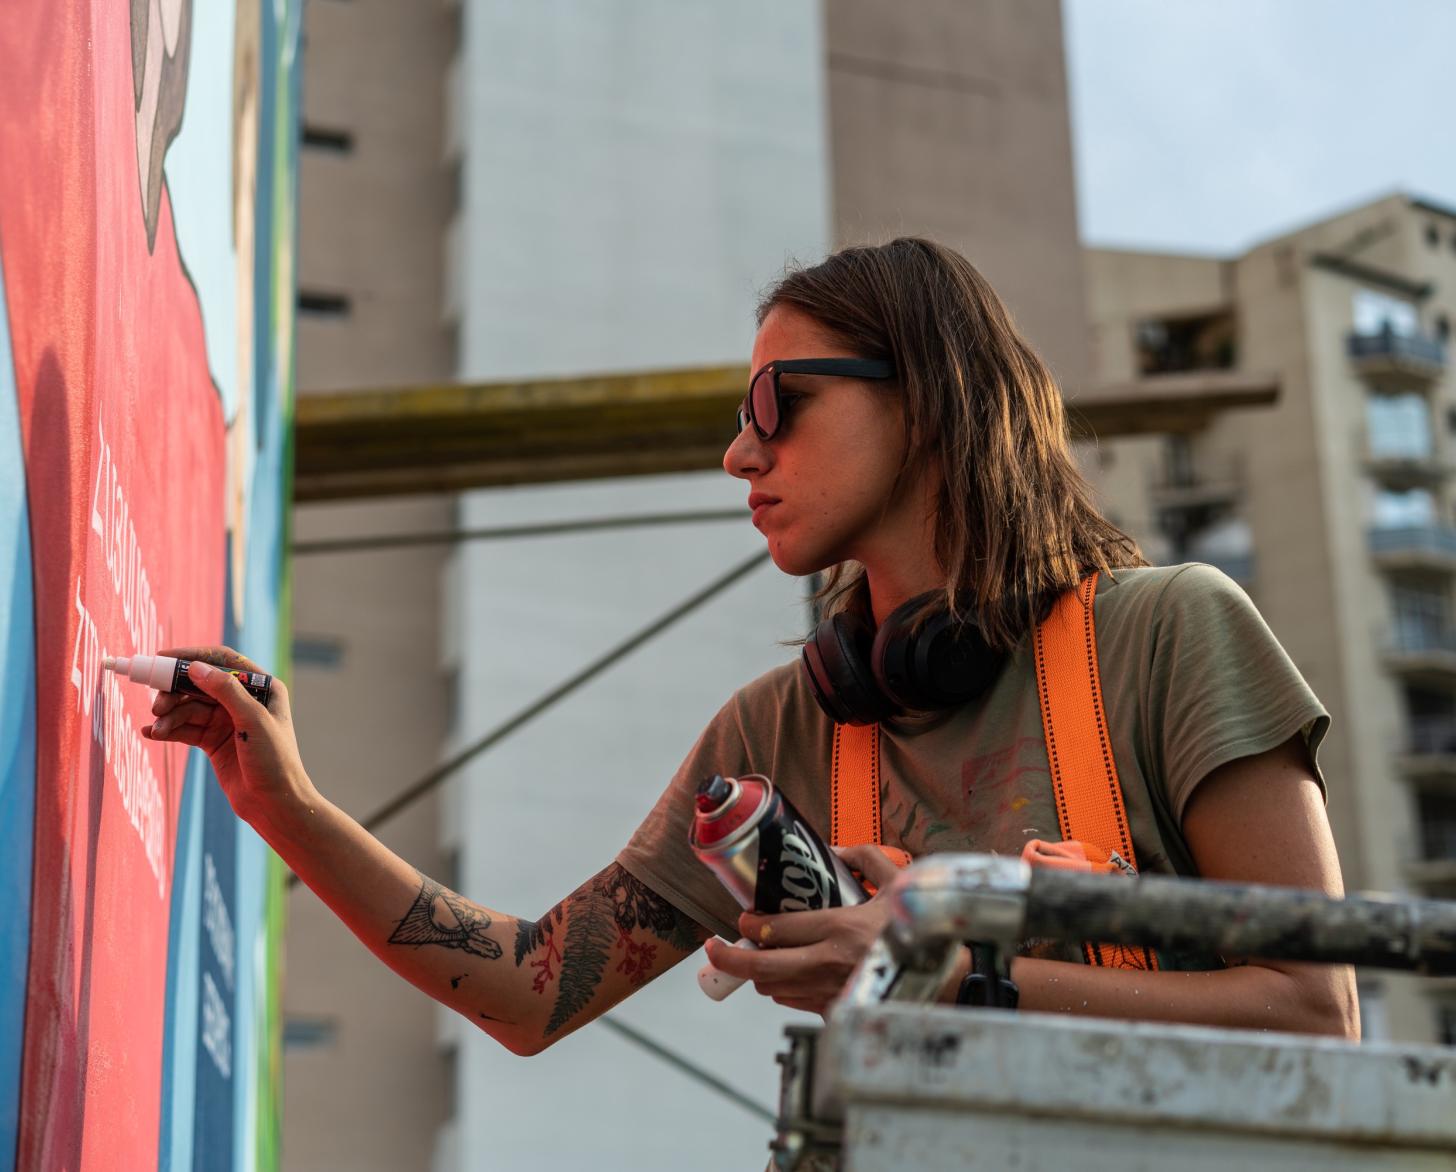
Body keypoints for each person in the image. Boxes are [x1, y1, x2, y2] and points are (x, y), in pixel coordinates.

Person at [145, 238, 1359, 1053]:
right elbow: (530, 985)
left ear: (927, 397)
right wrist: (286, 801)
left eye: (778, 403)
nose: (740, 452)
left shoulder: (1167, 636)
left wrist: (950, 969)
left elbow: (1315, 1006)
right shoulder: (776, 732)